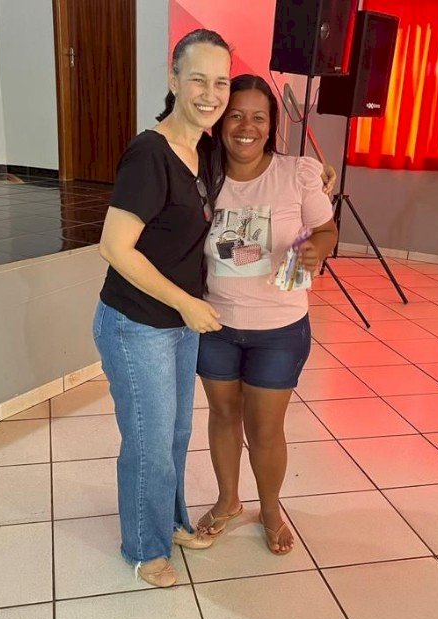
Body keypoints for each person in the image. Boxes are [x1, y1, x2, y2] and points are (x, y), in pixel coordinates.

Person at [93, 29, 232, 588]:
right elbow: (113, 247)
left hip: (178, 323)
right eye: (198, 79)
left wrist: (313, 174)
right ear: (173, 80)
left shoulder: (203, 150)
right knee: (149, 442)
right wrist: (185, 303)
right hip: (137, 325)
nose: (210, 94)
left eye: (220, 82)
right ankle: (144, 547)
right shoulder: (149, 154)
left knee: (174, 435)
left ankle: (169, 522)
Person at [195, 75, 339, 555]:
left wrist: (316, 250)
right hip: (215, 324)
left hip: (279, 328)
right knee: (222, 415)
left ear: (271, 124)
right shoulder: (202, 175)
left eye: (258, 117)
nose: (246, 127)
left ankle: (271, 509)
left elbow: (326, 229)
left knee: (264, 429)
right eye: (235, 115)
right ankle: (228, 501)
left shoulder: (297, 173)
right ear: (220, 121)